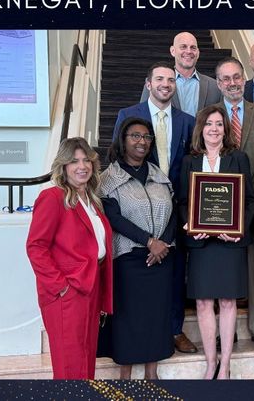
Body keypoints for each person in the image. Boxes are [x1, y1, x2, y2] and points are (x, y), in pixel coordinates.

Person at [114, 61, 197, 354]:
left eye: (171, 80)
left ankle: (174, 328)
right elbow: (117, 159)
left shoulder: (188, 120)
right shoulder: (128, 115)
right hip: (135, 203)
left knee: (175, 271)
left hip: (175, 207)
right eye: (160, 79)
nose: (166, 84)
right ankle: (140, 330)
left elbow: (191, 163)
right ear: (148, 84)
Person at [178, 105, 254, 379]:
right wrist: (189, 225)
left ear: (226, 129)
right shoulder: (189, 161)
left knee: (227, 302)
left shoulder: (238, 158)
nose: (214, 129)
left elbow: (250, 200)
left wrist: (238, 229)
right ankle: (211, 362)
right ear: (201, 128)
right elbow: (182, 201)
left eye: (219, 124)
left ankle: (225, 365)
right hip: (201, 245)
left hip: (229, 243)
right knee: (202, 303)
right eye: (209, 124)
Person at [25, 137, 113, 380]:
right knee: (70, 365)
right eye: (74, 161)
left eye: (87, 160)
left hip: (91, 287)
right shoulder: (52, 197)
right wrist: (61, 286)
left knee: (86, 358)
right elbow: (36, 247)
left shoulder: (91, 200)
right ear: (63, 166)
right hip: (68, 291)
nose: (82, 166)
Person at [99, 118, 177, 379]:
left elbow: (174, 212)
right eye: (135, 136)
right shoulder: (108, 178)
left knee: (156, 317)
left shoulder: (159, 175)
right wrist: (149, 241)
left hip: (162, 258)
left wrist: (162, 243)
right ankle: (125, 376)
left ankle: (152, 374)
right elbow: (113, 218)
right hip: (129, 259)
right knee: (129, 318)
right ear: (123, 140)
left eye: (146, 137)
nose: (142, 142)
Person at [215, 57, 254, 350]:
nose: (232, 83)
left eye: (237, 77)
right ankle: (223, 329)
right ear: (219, 84)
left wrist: (249, 197)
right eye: (226, 78)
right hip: (217, 206)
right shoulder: (208, 115)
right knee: (222, 267)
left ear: (244, 79)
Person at [140, 31, 222, 113]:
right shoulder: (154, 83)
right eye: (183, 47)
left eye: (193, 48)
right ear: (173, 51)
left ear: (198, 53)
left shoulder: (215, 86)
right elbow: (142, 114)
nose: (189, 51)